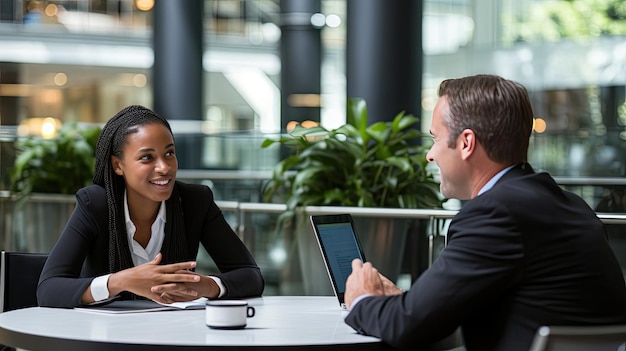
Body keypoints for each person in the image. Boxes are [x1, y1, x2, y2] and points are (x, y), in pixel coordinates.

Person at [343, 74, 626, 351]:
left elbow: (406, 327)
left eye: (436, 139)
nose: (430, 154)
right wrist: (410, 302)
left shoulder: (496, 215)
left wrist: (362, 299)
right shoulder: (569, 205)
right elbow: (433, 312)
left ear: (466, 143)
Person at [37, 105, 264, 308]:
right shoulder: (95, 204)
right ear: (118, 165)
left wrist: (204, 286)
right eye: (147, 158)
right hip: (104, 337)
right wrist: (121, 281)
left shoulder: (195, 201)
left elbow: (251, 277)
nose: (164, 167)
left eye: (169, 153)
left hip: (173, 335)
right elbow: (48, 289)